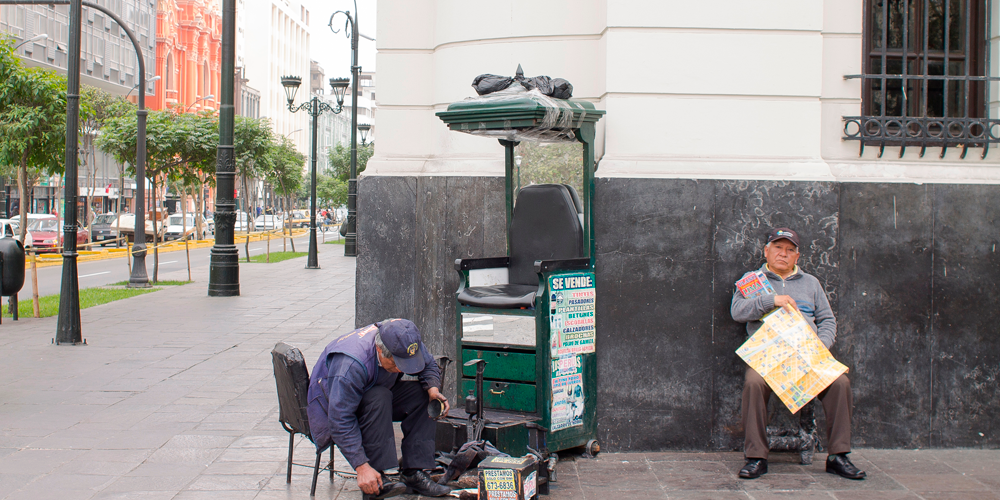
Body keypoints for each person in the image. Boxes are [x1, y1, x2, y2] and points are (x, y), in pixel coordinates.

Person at [731, 228, 866, 481]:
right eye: (778, 248)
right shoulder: (752, 280)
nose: (783, 254)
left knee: (840, 382)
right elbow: (737, 312)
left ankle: (838, 456)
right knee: (753, 383)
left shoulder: (811, 283)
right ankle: (756, 457)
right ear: (766, 251)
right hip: (768, 358)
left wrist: (819, 348)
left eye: (789, 250)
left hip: (807, 356)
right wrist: (772, 300)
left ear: (797, 256)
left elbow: (827, 320)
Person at [307, 319, 452, 498]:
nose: (401, 370)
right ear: (379, 350)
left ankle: (413, 472)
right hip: (335, 406)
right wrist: (361, 467)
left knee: (421, 396)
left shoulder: (404, 340)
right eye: (397, 364)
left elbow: (427, 364)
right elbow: (339, 420)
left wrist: (433, 389)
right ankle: (375, 478)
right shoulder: (350, 365)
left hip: (374, 389)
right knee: (379, 397)